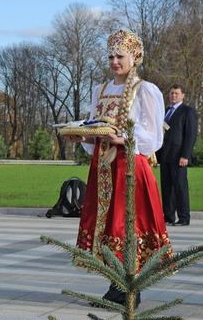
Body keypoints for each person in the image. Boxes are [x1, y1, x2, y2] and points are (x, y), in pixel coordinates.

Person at [67, 29, 172, 305]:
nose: (114, 61)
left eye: (120, 56)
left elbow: (154, 138)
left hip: (129, 167)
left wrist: (123, 137)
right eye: (110, 55)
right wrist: (83, 137)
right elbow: (94, 131)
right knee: (106, 225)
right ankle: (116, 286)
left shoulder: (145, 90)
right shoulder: (99, 90)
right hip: (103, 168)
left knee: (125, 225)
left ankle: (128, 290)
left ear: (133, 56)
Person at [156, 84, 198, 227]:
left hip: (179, 156)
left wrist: (186, 155)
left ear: (183, 95)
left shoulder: (188, 112)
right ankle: (168, 216)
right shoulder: (165, 111)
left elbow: (190, 135)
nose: (173, 95)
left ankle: (184, 217)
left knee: (180, 187)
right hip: (165, 156)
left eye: (176, 93)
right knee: (166, 187)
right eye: (172, 93)